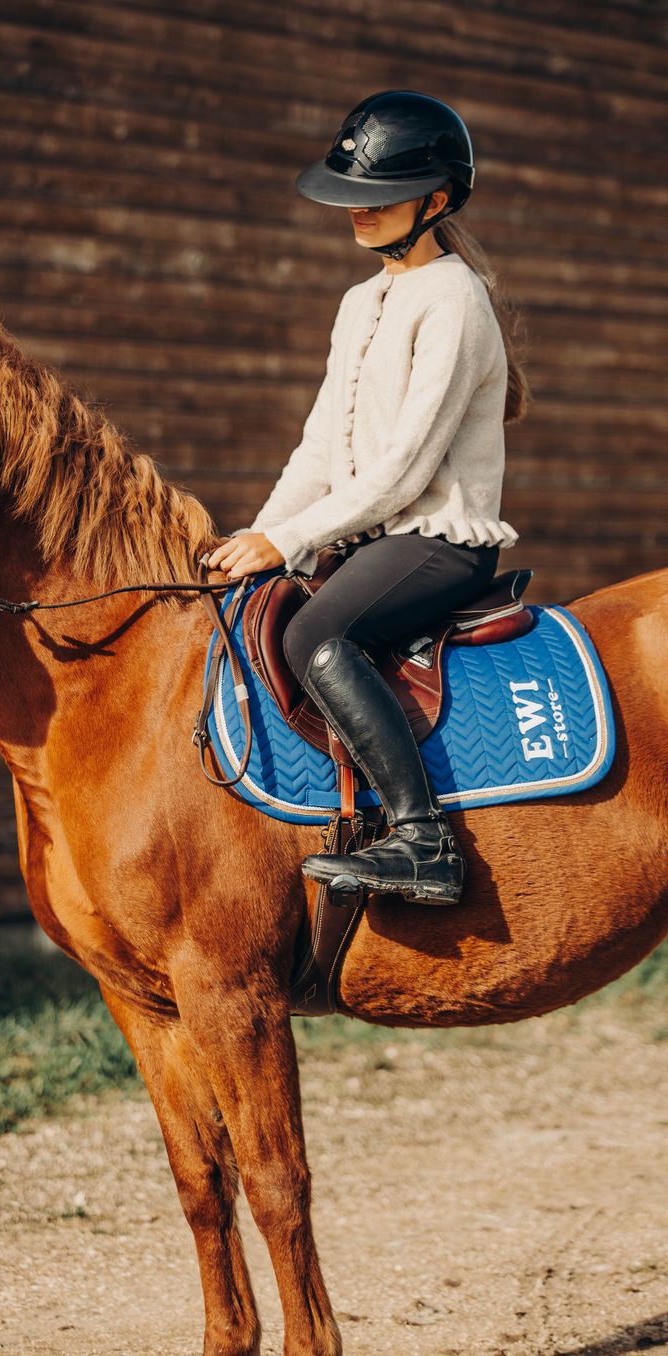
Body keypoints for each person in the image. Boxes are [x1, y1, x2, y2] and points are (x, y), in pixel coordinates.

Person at [205, 89, 529, 906]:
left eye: (381, 196)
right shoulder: (360, 303)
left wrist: (290, 544)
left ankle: (422, 838)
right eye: (354, 194)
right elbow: (322, 447)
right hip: (374, 538)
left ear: (438, 199)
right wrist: (262, 533)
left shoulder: (457, 302)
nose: (359, 212)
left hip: (440, 541)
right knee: (263, 602)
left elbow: (403, 469)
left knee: (315, 630)